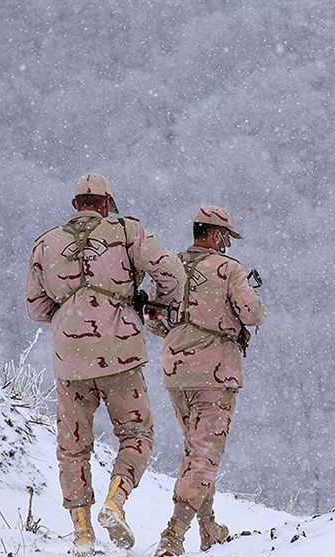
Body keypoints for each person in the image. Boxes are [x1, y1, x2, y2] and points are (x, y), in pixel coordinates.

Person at [25, 173, 185, 555]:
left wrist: (71, 315)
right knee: (137, 434)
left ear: (75, 205)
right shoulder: (128, 232)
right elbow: (173, 273)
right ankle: (116, 501)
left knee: (73, 446)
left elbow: (36, 308)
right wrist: (152, 303)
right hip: (120, 355)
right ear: (107, 203)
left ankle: (82, 532)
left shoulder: (46, 244)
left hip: (70, 363)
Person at [147, 205, 266, 556]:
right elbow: (254, 313)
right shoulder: (229, 270)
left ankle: (208, 526)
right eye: (226, 236)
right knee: (204, 453)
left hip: (175, 372)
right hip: (215, 372)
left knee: (196, 447)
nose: (228, 242)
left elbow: (152, 320)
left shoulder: (168, 267)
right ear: (215, 234)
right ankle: (174, 534)